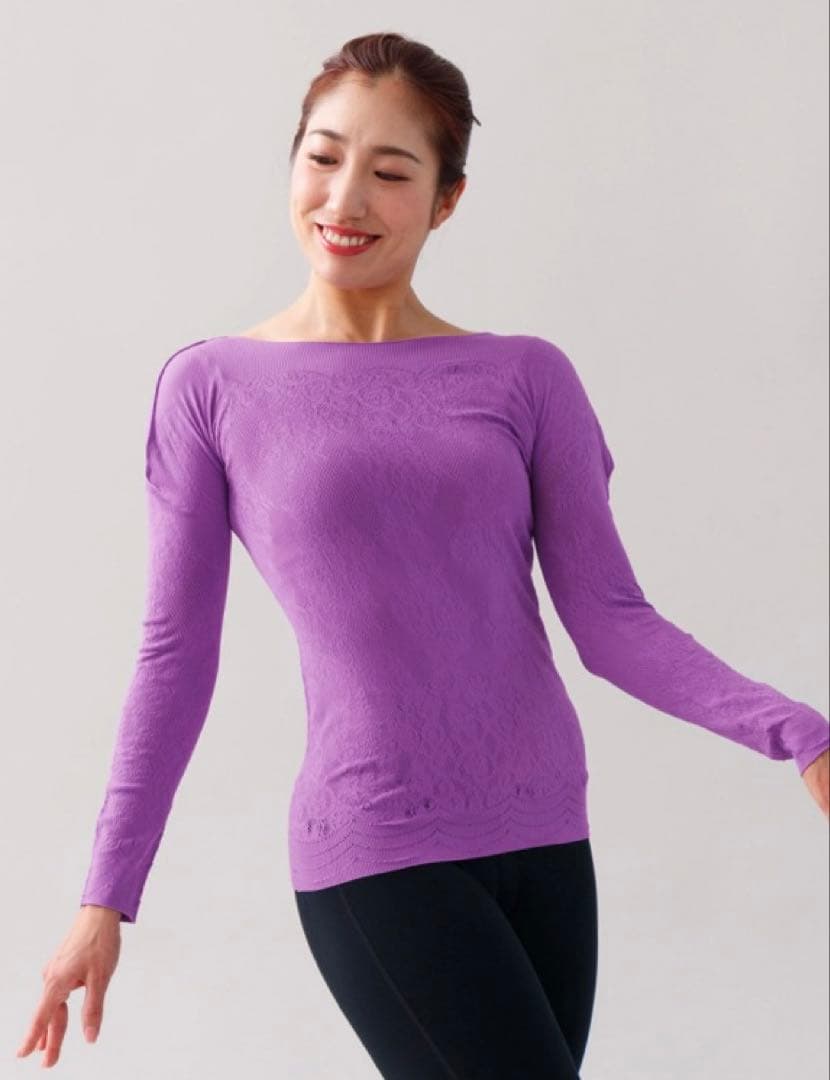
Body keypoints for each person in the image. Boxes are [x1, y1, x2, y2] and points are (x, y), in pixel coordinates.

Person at [16, 30, 829, 1077]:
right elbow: (177, 655)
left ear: (446, 201)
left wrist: (797, 732)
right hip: (377, 847)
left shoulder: (525, 377)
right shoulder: (212, 388)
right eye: (323, 156)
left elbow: (612, 620)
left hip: (546, 836)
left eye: (390, 172)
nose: (344, 197)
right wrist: (105, 897)